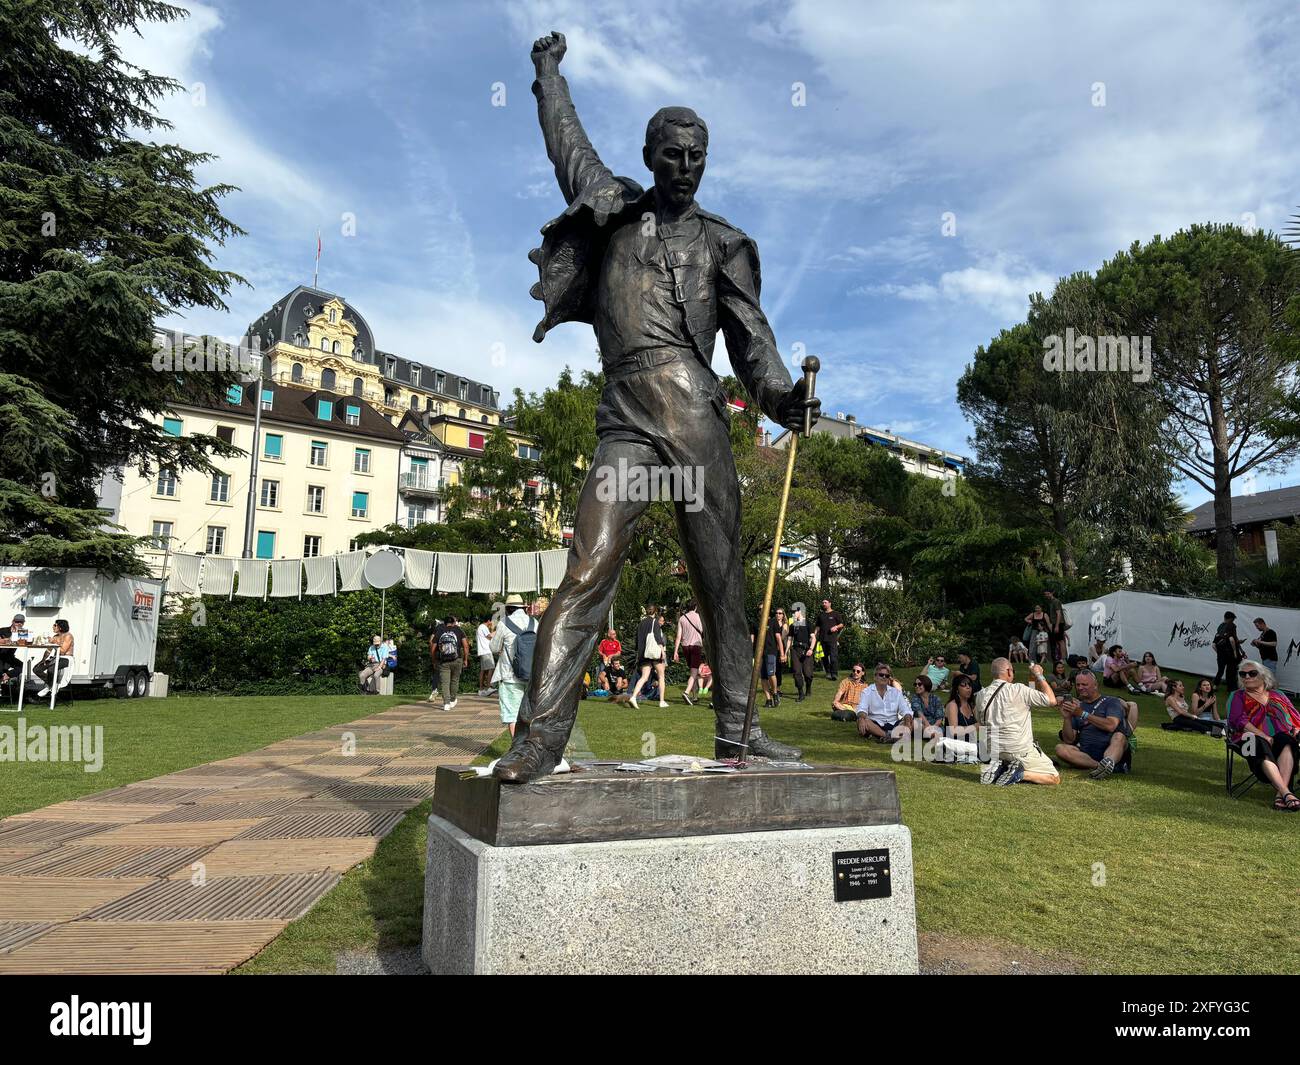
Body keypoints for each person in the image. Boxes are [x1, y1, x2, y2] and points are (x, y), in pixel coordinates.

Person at [493, 31, 814, 781]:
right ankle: (539, 739)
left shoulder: (725, 243)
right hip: (627, 420)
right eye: (672, 152)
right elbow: (564, 141)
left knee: (720, 576)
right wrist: (546, 74)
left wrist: (780, 397)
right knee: (588, 564)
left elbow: (752, 341)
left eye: (697, 154)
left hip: (697, 415)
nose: (685, 166)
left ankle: (739, 730)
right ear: (648, 156)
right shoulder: (610, 211)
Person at [1226, 659, 1300, 810]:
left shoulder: (1278, 695)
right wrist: (1263, 735)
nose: (1246, 677)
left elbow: (1295, 716)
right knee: (1259, 742)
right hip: (1246, 738)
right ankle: (1286, 792)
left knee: (1287, 740)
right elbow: (1238, 720)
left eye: (1252, 673)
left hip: (1280, 736)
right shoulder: (1238, 696)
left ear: (1264, 676)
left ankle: (1280, 795)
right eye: (1243, 674)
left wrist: (1297, 727)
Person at [973, 658, 1059, 786]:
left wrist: (1032, 678)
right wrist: (1038, 675)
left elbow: (981, 723)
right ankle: (1019, 773)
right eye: (1013, 671)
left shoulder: (980, 695)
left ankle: (1001, 768)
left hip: (993, 751)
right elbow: (1051, 700)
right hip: (1018, 750)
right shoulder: (1018, 689)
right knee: (1054, 777)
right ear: (1008, 671)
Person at [1057, 669, 1130, 780]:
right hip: (1087, 755)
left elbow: (1111, 725)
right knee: (1060, 748)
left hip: (1111, 750)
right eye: (1078, 685)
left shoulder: (1111, 701)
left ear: (1095, 685)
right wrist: (1067, 718)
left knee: (1119, 736)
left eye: (1084, 684)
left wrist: (1082, 714)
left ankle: (1109, 762)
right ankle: (1101, 766)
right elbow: (1069, 740)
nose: (1080, 688)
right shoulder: (1078, 707)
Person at [491, 595, 536, 737]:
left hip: (509, 675)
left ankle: (517, 750)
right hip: (531, 675)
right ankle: (531, 748)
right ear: (523, 608)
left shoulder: (504, 623)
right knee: (530, 713)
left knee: (512, 714)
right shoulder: (534, 622)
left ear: (509, 609)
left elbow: (494, 647)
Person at [855, 664, 912, 741]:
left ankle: (886, 736)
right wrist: (861, 718)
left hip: (894, 724)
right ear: (875, 677)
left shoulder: (896, 692)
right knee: (862, 721)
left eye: (887, 676)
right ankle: (888, 736)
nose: (884, 677)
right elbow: (862, 709)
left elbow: (906, 710)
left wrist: (908, 722)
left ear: (889, 678)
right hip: (875, 724)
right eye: (881, 675)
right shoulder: (867, 692)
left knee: (915, 721)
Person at [629, 603, 668, 709]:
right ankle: (662, 701)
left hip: (643, 653)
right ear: (655, 612)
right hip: (654, 653)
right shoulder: (655, 622)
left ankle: (633, 697)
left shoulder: (641, 623)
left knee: (644, 677)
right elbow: (657, 638)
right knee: (661, 676)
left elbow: (637, 639)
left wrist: (638, 652)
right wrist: (663, 651)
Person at [431, 614, 469, 710]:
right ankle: (452, 700)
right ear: (454, 622)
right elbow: (465, 646)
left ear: (444, 623)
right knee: (454, 680)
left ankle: (446, 704)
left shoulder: (439, 631)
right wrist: (465, 659)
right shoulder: (459, 630)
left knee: (445, 683)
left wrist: (434, 660)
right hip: (457, 659)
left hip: (443, 661)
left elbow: (433, 648)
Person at [673, 601, 705, 704]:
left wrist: (675, 651)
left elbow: (678, 636)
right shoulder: (698, 617)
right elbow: (703, 630)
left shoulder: (682, 618)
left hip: (685, 646)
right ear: (696, 607)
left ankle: (694, 696)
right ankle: (686, 693)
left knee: (692, 672)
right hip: (696, 646)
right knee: (694, 672)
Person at [751, 610, 784, 708]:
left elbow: (778, 638)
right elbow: (752, 639)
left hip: (771, 652)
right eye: (760, 609)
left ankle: (774, 693)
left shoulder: (773, 622)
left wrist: (782, 653)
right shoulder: (755, 623)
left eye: (763, 608)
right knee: (763, 677)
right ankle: (768, 699)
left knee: (771, 674)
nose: (762, 610)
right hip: (759, 654)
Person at [33, 619, 73, 696]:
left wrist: (54, 642)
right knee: (37, 669)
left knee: (51, 669)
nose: (53, 627)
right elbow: (48, 650)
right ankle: (51, 685)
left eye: (55, 625)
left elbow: (63, 651)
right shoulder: (55, 637)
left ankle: (49, 686)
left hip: (66, 658)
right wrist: (42, 660)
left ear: (60, 627)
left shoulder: (68, 636)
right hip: (55, 658)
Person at [786, 603, 816, 702]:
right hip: (795, 650)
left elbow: (813, 638)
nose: (793, 614)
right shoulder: (792, 625)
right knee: (796, 672)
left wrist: (811, 649)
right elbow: (790, 639)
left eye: (794, 612)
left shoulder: (808, 624)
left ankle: (808, 686)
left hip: (806, 650)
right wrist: (786, 653)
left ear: (800, 612)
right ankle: (800, 693)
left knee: (808, 673)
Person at [1212, 611, 1244, 691]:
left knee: (1220, 670)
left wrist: (1218, 653)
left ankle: (1215, 686)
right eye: (1233, 619)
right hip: (1229, 653)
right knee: (1231, 671)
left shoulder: (1220, 627)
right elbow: (1231, 639)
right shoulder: (1231, 626)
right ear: (1230, 619)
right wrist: (1235, 653)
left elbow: (1213, 645)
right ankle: (1231, 688)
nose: (1233, 621)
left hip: (1221, 653)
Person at [816, 598, 844, 681]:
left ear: (830, 603)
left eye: (825, 602)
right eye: (823, 602)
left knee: (833, 657)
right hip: (822, 639)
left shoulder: (835, 614)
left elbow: (842, 624)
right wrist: (814, 635)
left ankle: (834, 674)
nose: (824, 604)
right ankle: (828, 673)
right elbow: (817, 627)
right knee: (824, 657)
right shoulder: (821, 615)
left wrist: (836, 627)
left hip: (832, 639)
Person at [1044, 589, 1069, 663]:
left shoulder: (1056, 601)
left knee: (1061, 641)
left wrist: (1057, 625)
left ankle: (1063, 659)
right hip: (1055, 623)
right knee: (1058, 641)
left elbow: (1059, 614)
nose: (1047, 595)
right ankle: (1060, 657)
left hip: (1059, 623)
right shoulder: (1051, 603)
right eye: (1045, 594)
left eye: (1048, 593)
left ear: (1052, 593)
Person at [475, 614, 496, 696]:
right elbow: (490, 636)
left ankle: (481, 689)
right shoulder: (483, 627)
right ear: (488, 621)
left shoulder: (481, 627)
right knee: (491, 668)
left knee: (483, 670)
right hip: (486, 651)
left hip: (483, 651)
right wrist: (497, 630)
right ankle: (488, 688)